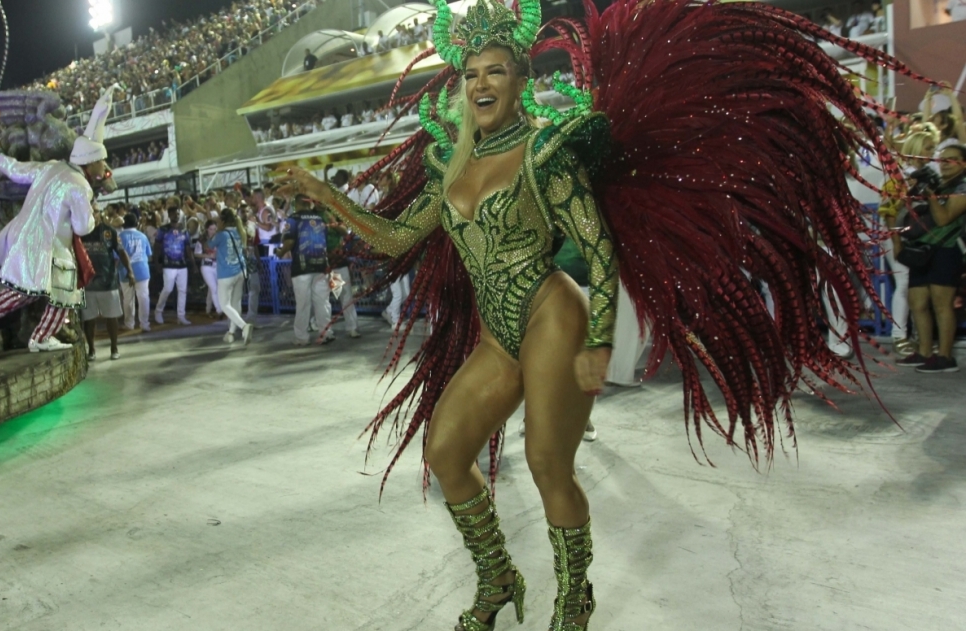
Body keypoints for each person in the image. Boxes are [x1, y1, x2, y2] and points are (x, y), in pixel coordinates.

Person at [277, 0, 917, 628]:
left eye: (495, 71)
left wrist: (600, 339)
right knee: (446, 451)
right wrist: (323, 191)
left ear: (521, 80)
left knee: (547, 463)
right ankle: (500, 577)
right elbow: (392, 238)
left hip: (553, 315)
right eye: (471, 73)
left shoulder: (543, 153)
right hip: (498, 334)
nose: (480, 83)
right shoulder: (450, 163)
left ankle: (574, 598)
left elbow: (597, 247)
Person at [0, 87, 115, 352]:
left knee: (22, 292)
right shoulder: (80, 186)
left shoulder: (51, 168)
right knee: (66, 294)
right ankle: (41, 337)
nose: (106, 168)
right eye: (103, 162)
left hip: (23, 236)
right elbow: (82, 226)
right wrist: (94, 218)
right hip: (51, 247)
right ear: (92, 162)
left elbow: (17, 171)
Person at [899, 144, 966, 373]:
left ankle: (945, 357)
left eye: (953, 159)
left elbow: (944, 218)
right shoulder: (940, 183)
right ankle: (924, 352)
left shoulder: (963, 186)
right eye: (943, 159)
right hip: (923, 250)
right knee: (917, 302)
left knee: (942, 304)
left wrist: (932, 195)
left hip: (947, 249)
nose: (946, 163)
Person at [879, 125, 940, 356]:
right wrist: (896, 243)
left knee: (919, 287)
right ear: (915, 149)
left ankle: (918, 337)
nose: (932, 151)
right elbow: (889, 212)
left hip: (919, 240)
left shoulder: (929, 177)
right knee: (905, 285)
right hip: (898, 238)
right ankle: (898, 336)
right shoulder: (898, 178)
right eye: (928, 147)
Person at [276, 197, 333, 346]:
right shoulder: (320, 219)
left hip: (301, 267)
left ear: (296, 204)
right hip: (321, 264)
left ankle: (302, 337)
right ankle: (326, 333)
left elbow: (289, 241)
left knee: (303, 304)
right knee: (322, 302)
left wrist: (281, 253)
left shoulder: (293, 219)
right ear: (310, 203)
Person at [81, 218, 134, 360]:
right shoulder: (80, 230)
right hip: (87, 284)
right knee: (88, 319)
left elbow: (122, 252)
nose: (94, 215)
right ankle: (91, 350)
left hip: (108, 282)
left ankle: (114, 348)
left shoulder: (109, 231)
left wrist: (130, 271)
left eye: (97, 211)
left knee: (112, 317)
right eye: (91, 212)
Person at [207, 208, 254, 345]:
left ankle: (244, 326)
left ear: (222, 220)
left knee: (224, 304)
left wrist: (213, 231)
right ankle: (231, 333)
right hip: (240, 271)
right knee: (236, 303)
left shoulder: (221, 234)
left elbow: (209, 244)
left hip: (226, 273)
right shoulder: (240, 232)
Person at [153, 208, 194, 326]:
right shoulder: (163, 229)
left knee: (182, 290)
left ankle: (181, 315)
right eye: (173, 214)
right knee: (168, 289)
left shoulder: (184, 230)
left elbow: (187, 247)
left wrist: (192, 263)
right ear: (169, 215)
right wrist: (157, 263)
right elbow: (157, 246)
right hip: (168, 264)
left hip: (182, 264)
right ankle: (158, 311)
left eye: (177, 214)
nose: (175, 216)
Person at [118, 213, 153, 332]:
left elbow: (117, 257)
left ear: (123, 223)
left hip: (125, 271)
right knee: (144, 298)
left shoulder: (120, 236)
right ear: (137, 223)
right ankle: (145, 324)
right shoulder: (142, 236)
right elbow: (149, 254)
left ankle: (129, 323)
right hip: (142, 270)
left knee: (128, 299)